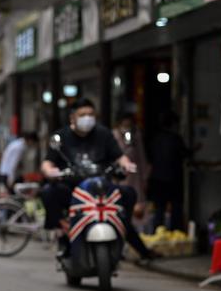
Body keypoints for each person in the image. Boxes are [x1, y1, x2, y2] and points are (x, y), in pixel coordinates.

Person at [39, 98, 154, 259]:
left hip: (101, 188)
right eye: (83, 114)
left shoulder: (104, 134)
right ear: (73, 117)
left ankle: (123, 231)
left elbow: (119, 156)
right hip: (73, 190)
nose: (87, 118)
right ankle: (64, 231)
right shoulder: (61, 136)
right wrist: (50, 171)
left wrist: (127, 164)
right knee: (48, 193)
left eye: (91, 114)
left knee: (128, 193)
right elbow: (47, 163)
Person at [148, 110, 190, 232]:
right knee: (176, 208)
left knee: (159, 210)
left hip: (157, 178)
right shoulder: (175, 138)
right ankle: (176, 233)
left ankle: (158, 234)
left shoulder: (155, 138)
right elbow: (184, 153)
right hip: (173, 179)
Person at [112, 112, 150, 221]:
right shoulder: (113, 135)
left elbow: (141, 156)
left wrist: (145, 177)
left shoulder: (136, 135)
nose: (126, 126)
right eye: (124, 124)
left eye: (129, 124)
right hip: (119, 175)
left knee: (137, 204)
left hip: (134, 175)